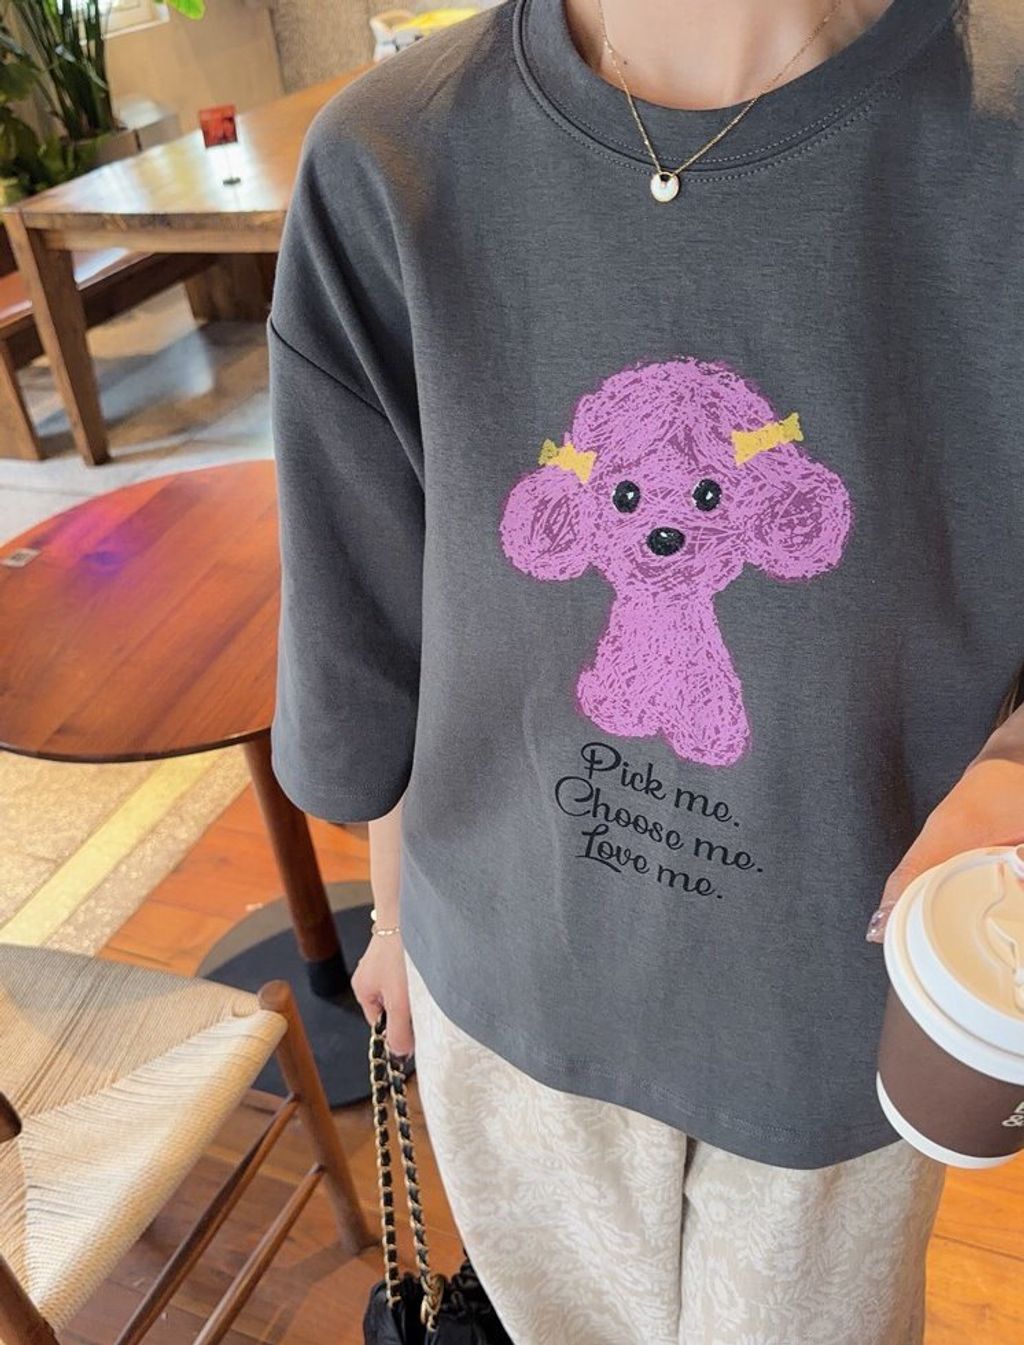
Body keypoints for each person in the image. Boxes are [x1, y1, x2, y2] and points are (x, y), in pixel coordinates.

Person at [267, 1, 1024, 1340]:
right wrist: (391, 922)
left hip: (842, 1027)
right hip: (506, 1003)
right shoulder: (389, 162)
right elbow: (392, 640)